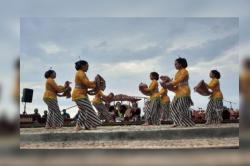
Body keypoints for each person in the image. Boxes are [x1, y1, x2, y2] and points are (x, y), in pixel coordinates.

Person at [72, 60, 101, 131]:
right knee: (88, 109)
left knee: (84, 111)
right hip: (79, 95)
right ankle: (92, 124)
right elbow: (87, 83)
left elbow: (87, 83)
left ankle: (83, 126)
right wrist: (96, 84)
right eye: (87, 66)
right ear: (82, 66)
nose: (88, 68)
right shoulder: (80, 73)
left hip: (80, 95)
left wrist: (94, 83)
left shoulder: (80, 73)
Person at [166, 57, 195, 127]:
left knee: (181, 108)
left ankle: (187, 123)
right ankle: (177, 122)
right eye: (174, 64)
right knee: (172, 106)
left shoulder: (184, 71)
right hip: (178, 92)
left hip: (184, 92)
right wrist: (168, 82)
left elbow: (180, 79)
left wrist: (171, 83)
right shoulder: (177, 73)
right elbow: (176, 83)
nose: (175, 65)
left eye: (176, 64)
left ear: (181, 64)